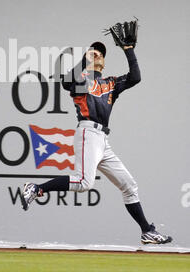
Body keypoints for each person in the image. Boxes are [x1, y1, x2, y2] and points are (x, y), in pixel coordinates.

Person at [21, 41, 172, 245]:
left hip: (103, 140)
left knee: (129, 185)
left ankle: (147, 231)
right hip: (87, 133)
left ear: (105, 62)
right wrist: (85, 60)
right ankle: (36, 188)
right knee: (84, 182)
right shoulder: (82, 79)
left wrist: (129, 50)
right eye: (95, 51)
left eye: (101, 53)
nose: (98, 54)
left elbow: (135, 77)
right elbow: (66, 82)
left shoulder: (110, 83)